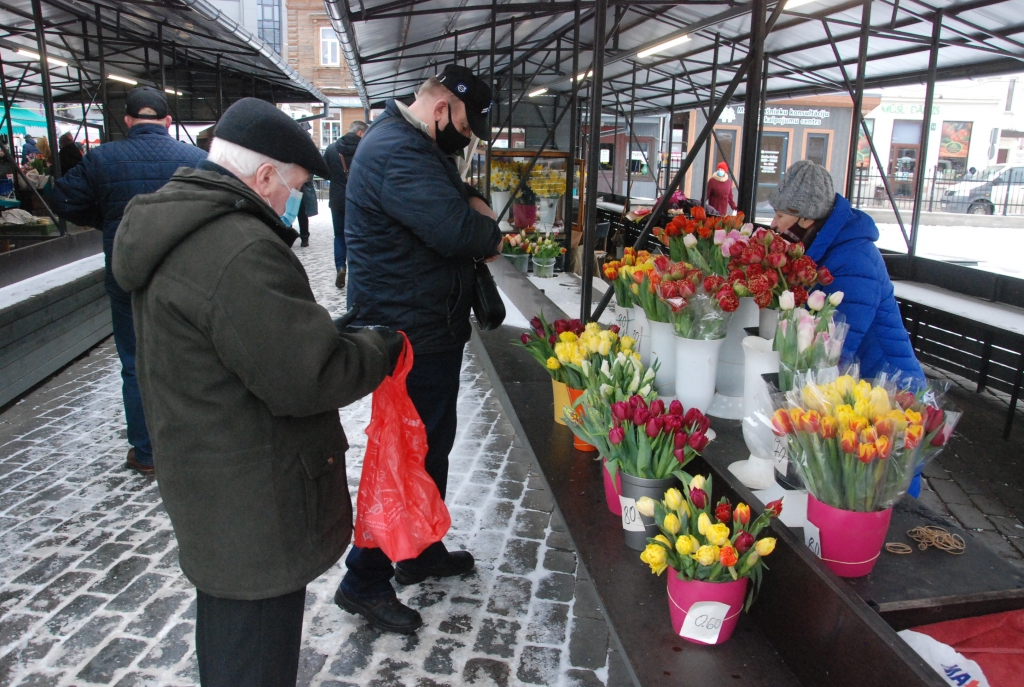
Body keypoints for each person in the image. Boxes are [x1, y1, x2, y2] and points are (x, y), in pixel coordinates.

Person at [112, 97, 403, 687]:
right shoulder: (239, 247)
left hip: (211, 479)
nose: (292, 201)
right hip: (255, 499)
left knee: (231, 638)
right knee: (256, 655)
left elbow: (248, 341)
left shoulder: (184, 223)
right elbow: (308, 377)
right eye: (293, 187)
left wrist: (327, 330)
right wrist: (382, 347)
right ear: (264, 175)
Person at [340, 65, 502, 634]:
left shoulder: (411, 145)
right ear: (440, 110)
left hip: (425, 326)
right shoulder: (400, 154)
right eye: (466, 124)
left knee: (431, 447)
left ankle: (417, 550)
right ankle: (363, 579)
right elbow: (467, 234)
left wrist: (470, 200)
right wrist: (487, 225)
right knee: (409, 454)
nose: (469, 136)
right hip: (410, 335)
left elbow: (458, 200)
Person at [52, 86, 206, 476]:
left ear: (127, 120)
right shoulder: (197, 160)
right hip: (185, 276)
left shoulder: (101, 159)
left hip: (127, 277)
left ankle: (147, 452)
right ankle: (189, 445)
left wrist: (105, 217)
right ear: (168, 121)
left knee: (135, 364)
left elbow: (63, 199)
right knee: (188, 359)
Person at [768, 160, 924, 383]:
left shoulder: (854, 261)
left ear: (806, 219)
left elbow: (834, 351)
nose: (774, 225)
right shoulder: (827, 249)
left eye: (780, 216)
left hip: (890, 389)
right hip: (861, 384)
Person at [323, 120, 367, 288]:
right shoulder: (365, 149)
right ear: (360, 133)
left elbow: (325, 172)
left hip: (337, 200)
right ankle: (358, 273)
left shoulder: (332, 149)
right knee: (359, 236)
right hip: (358, 200)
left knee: (339, 236)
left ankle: (341, 267)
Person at [295, 179, 318, 247]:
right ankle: (304, 238)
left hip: (298, 186)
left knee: (301, 213)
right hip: (298, 186)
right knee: (301, 214)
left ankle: (304, 237)